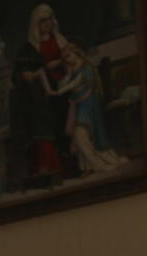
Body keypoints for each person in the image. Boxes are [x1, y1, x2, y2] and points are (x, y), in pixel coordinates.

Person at [9, 3, 75, 188]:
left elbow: (74, 61)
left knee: (67, 124)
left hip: (64, 91)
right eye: (43, 21)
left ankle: (70, 167)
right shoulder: (28, 48)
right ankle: (49, 168)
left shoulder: (60, 41)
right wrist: (28, 75)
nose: (47, 24)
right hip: (41, 98)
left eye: (49, 19)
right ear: (36, 23)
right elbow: (18, 75)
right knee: (42, 123)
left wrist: (64, 67)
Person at [49, 43, 128, 173]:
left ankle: (99, 164)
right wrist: (66, 73)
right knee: (81, 136)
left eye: (68, 56)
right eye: (64, 59)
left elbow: (75, 83)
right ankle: (88, 166)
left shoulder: (86, 69)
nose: (67, 60)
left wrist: (59, 92)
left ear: (77, 54)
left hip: (89, 107)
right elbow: (64, 83)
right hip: (80, 106)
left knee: (81, 134)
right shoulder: (73, 70)